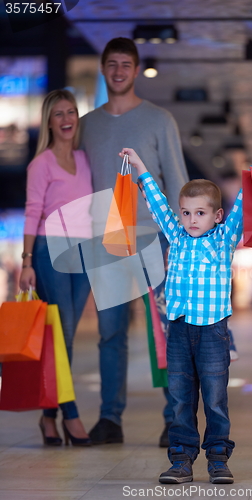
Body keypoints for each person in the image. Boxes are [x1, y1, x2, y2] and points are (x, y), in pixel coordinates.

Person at [119, 129, 252, 484]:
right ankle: (181, 459)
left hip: (212, 332)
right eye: (187, 212)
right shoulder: (175, 234)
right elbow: (156, 200)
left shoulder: (224, 239)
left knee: (216, 397)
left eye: (201, 213)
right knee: (180, 397)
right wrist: (141, 166)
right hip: (178, 328)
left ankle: (218, 457)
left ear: (217, 216)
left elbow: (244, 200)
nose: (192, 219)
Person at [79, 37, 189, 446]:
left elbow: (176, 178)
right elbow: (80, 184)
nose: (119, 71)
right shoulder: (88, 124)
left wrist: (183, 238)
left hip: (155, 237)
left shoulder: (160, 119)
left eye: (127, 64)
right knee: (110, 333)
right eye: (112, 64)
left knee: (166, 329)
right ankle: (110, 419)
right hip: (106, 241)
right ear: (104, 69)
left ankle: (174, 418)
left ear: (136, 69)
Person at [19, 89, 92, 447]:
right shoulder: (41, 164)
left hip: (85, 251)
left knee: (64, 336)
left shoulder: (84, 158)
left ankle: (48, 418)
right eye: (59, 114)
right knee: (61, 334)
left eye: (71, 112)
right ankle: (71, 415)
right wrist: (26, 261)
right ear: (49, 121)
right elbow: (32, 212)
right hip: (50, 251)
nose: (66, 119)